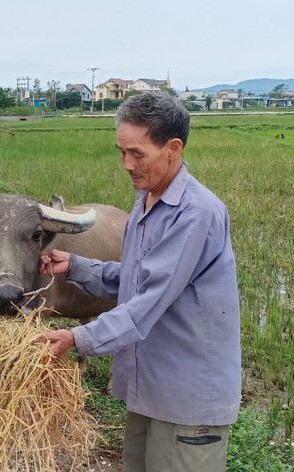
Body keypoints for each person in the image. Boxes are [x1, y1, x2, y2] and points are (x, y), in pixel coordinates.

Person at [36, 92, 241, 472]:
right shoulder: (147, 199)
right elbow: (134, 279)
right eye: (121, 152)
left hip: (187, 397)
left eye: (137, 153)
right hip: (150, 388)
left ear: (173, 148)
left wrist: (75, 338)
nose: (127, 164)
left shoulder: (195, 214)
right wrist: (77, 266)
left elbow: (148, 302)